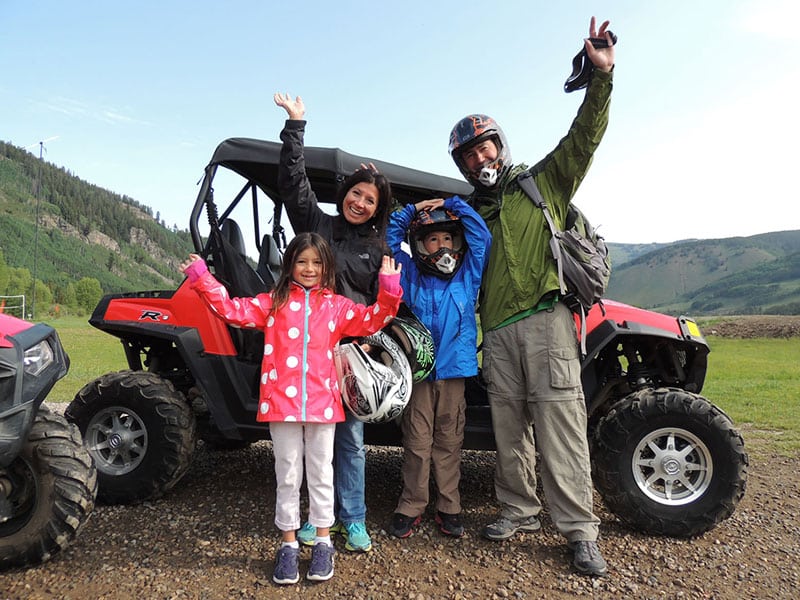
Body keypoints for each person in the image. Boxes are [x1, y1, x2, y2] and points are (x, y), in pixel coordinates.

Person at [446, 17, 615, 577]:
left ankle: (579, 530)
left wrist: (600, 78)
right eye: (468, 156)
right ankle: (518, 509)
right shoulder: (467, 215)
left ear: (501, 145)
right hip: (495, 332)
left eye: (484, 147)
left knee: (561, 424)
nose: (479, 159)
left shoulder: (541, 185)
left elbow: (583, 138)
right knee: (508, 427)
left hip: (547, 320)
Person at [179, 232, 403, 585]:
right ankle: (287, 546)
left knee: (321, 475)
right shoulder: (274, 302)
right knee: (286, 474)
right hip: (281, 404)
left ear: (327, 266)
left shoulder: (338, 307)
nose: (309, 269)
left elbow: (375, 319)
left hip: (323, 406)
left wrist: (389, 287)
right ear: (290, 265)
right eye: (302, 261)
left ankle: (323, 543)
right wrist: (202, 279)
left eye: (317, 262)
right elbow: (231, 310)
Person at [272, 92, 394, 553]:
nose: (360, 203)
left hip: (350, 355)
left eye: (370, 200)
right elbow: (293, 184)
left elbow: (382, 303)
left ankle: (353, 519)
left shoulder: (379, 248)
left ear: (377, 208)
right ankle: (316, 521)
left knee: (349, 441)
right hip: (306, 352)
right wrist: (296, 126)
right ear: (345, 194)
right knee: (306, 445)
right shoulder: (317, 226)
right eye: (356, 194)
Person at [385, 196, 491, 539]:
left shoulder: (468, 275)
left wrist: (453, 204)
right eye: (432, 239)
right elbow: (387, 240)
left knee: (449, 442)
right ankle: (411, 504)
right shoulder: (409, 273)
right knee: (416, 443)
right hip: (418, 372)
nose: (441, 245)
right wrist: (413, 211)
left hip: (455, 374)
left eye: (447, 238)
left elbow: (482, 237)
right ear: (419, 244)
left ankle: (449, 506)